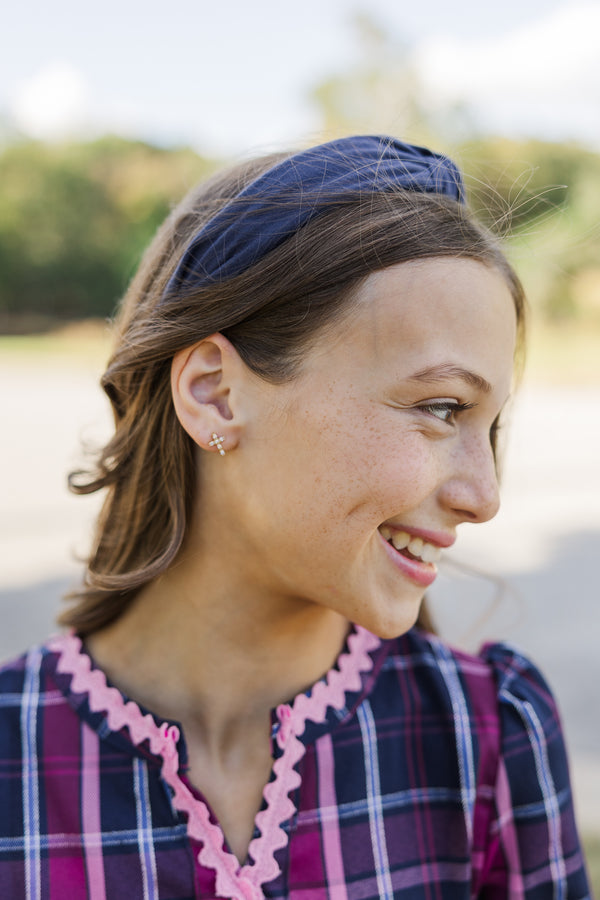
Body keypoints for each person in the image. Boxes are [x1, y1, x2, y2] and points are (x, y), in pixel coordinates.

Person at [0, 135, 591, 899]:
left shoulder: (488, 743)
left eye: (490, 427)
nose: (484, 497)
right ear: (215, 391)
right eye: (441, 408)